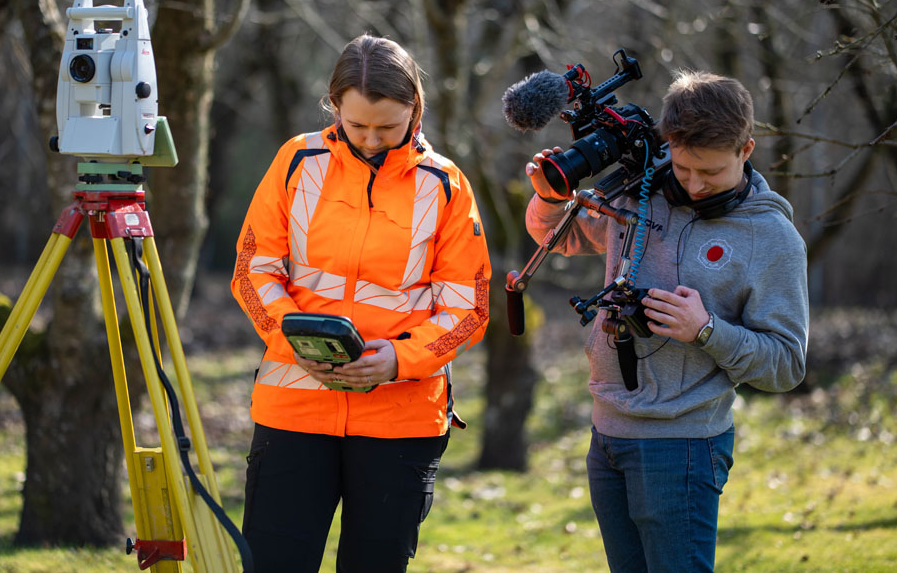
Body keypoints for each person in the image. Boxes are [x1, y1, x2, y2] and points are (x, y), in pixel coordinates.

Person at [524, 70, 808, 572]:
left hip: (683, 447)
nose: (695, 185)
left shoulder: (773, 238)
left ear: (747, 150)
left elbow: (786, 366)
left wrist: (707, 331)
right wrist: (548, 194)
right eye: (683, 168)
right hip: (607, 436)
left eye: (712, 173)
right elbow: (561, 237)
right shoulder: (643, 189)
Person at [231, 34, 490, 572]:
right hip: (294, 408)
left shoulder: (447, 186)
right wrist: (293, 341)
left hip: (401, 420)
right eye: (356, 125)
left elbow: (468, 308)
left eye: (388, 127)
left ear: (415, 109)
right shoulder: (296, 160)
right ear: (334, 107)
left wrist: (398, 359)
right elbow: (252, 269)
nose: (371, 140)